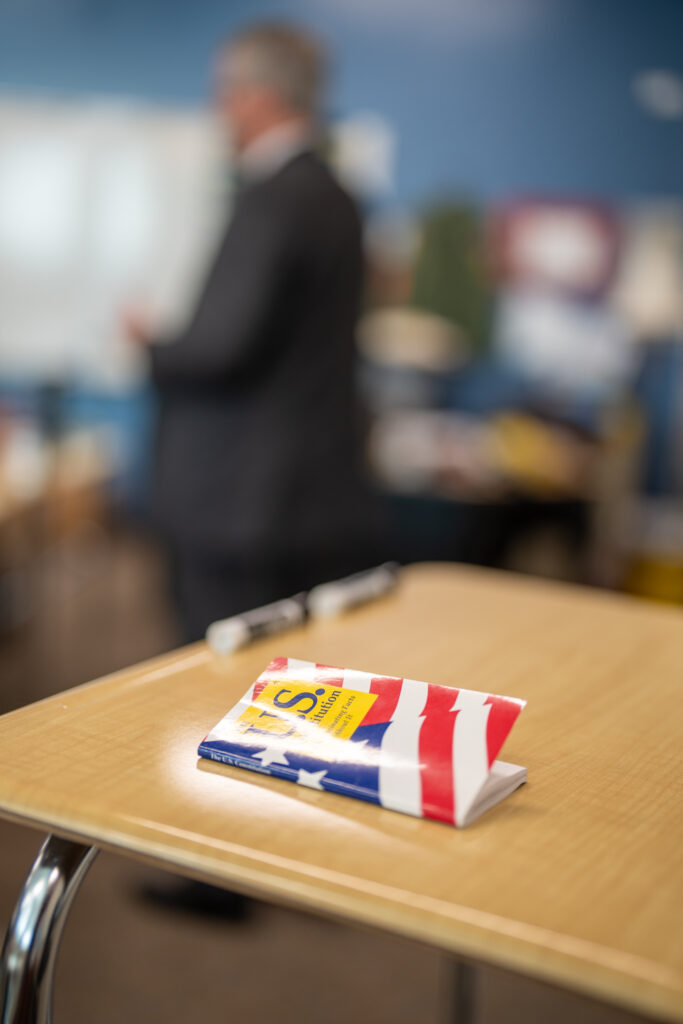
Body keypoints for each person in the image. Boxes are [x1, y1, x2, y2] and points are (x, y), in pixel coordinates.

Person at [126, 22, 375, 643]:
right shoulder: (338, 198)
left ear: (260, 96)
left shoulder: (272, 199)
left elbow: (221, 347)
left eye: (225, 90)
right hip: (306, 497)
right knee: (279, 687)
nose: (219, 107)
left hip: (239, 501)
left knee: (211, 687)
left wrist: (152, 344)